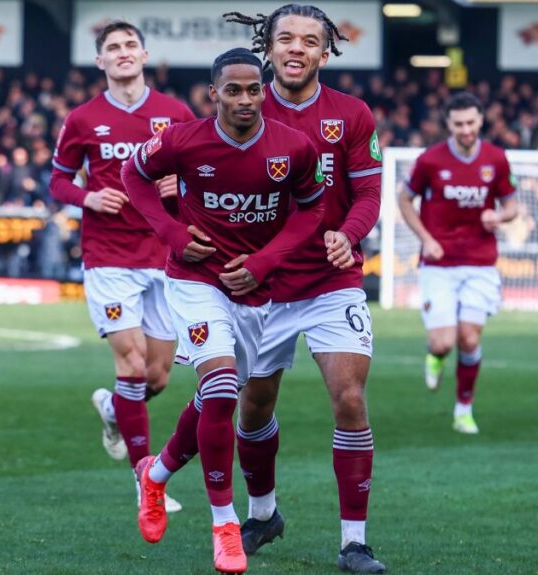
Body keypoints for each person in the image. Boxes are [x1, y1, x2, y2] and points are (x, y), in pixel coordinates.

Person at [120, 48, 325, 574]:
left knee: (217, 397)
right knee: (221, 389)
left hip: (258, 288)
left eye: (252, 89)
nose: (244, 99)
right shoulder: (183, 139)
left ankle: (156, 475)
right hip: (194, 280)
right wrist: (169, 232)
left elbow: (313, 209)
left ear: (264, 89)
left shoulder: (293, 148)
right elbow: (133, 174)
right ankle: (225, 526)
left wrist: (265, 261)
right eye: (231, 90)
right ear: (213, 95)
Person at [222, 5, 385, 572]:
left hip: (330, 282)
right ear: (267, 46)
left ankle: (354, 542)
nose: (296, 48)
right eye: (285, 38)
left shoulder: (352, 114)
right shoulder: (241, 104)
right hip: (260, 285)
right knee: (254, 405)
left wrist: (349, 233)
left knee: (349, 397)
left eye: (309, 41)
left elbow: (368, 195)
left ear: (326, 51)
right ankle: (264, 512)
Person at [48, 20, 196, 513]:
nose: (123, 52)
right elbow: (58, 183)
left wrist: (184, 189)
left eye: (130, 45)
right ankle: (145, 480)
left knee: (155, 377)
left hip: (164, 254)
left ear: (144, 53)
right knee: (130, 364)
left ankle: (114, 408)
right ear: (100, 61)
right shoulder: (84, 119)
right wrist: (89, 196)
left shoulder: (175, 114)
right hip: (109, 256)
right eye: (113, 47)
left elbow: (205, 171)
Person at [399, 91, 519, 434]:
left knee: (468, 339)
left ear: (481, 121)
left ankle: (463, 409)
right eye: (459, 124)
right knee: (443, 342)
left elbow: (512, 205)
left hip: (480, 263)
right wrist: (426, 239)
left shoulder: (496, 159)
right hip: (438, 263)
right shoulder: (430, 161)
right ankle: (435, 356)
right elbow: (404, 199)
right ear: (448, 125)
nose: (466, 129)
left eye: (471, 122)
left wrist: (500, 216)